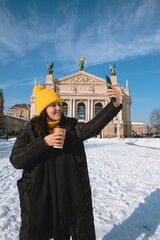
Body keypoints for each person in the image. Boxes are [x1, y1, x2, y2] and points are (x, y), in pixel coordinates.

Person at [10, 84, 122, 240]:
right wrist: (43, 143)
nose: (58, 108)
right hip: (40, 197)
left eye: (59, 104)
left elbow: (92, 127)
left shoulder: (70, 128)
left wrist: (114, 105)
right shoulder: (29, 132)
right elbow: (16, 159)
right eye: (53, 105)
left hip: (67, 195)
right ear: (43, 110)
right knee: (35, 233)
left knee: (66, 230)